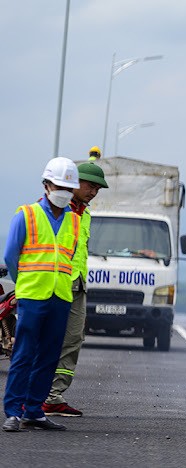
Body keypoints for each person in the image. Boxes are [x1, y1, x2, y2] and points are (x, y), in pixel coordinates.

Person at [2, 157, 81, 432]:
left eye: (69, 188)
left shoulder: (74, 220)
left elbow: (70, 256)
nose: (64, 192)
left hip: (61, 296)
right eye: (60, 185)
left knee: (49, 355)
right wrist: (23, 283)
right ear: (46, 185)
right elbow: (11, 256)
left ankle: (34, 410)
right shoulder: (26, 214)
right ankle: (13, 411)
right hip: (33, 295)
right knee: (24, 354)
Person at [42, 163, 108, 417]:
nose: (94, 192)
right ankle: (34, 396)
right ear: (74, 182)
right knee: (46, 340)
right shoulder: (57, 209)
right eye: (90, 186)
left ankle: (54, 396)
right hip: (53, 283)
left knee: (72, 340)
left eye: (98, 189)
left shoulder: (85, 214)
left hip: (77, 283)